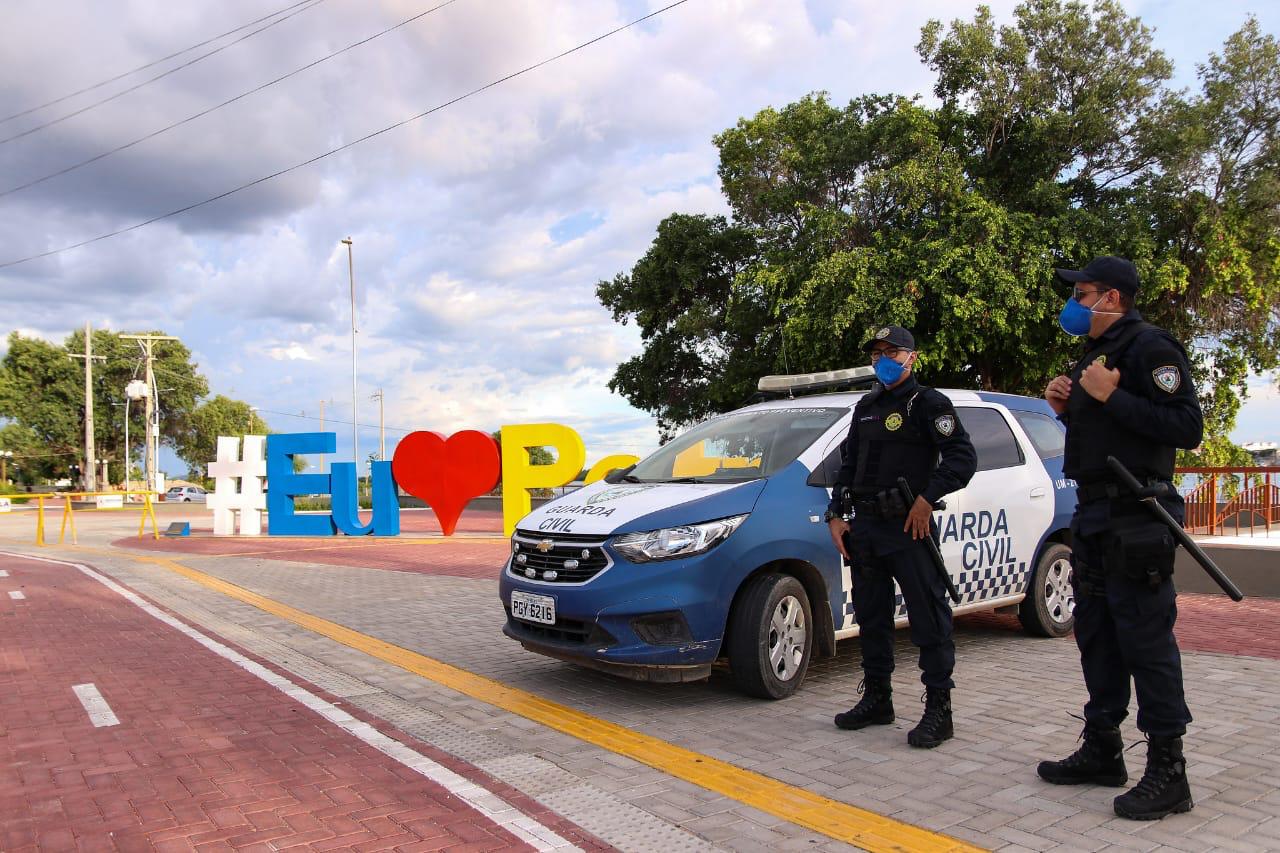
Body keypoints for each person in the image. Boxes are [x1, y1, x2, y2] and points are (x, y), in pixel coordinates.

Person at [1038, 256, 1204, 820]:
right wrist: (1068, 410)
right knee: (1099, 636)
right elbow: (1107, 439)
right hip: (1094, 515)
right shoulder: (1095, 356)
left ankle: (1169, 772)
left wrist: (1113, 396)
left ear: (1111, 297)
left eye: (1080, 293)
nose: (1073, 303)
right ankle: (1103, 747)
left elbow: (1186, 427)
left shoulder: (1151, 348)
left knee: (1147, 642)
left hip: (1138, 515)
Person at [826, 325, 976, 747]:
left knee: (929, 619)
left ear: (912, 356)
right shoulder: (867, 406)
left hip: (909, 527)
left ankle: (938, 710)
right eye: (876, 353)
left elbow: (963, 457)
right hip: (866, 528)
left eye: (891, 351)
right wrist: (835, 514)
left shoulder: (929, 403)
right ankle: (878, 699)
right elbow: (848, 464)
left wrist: (928, 498)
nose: (882, 360)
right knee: (872, 617)